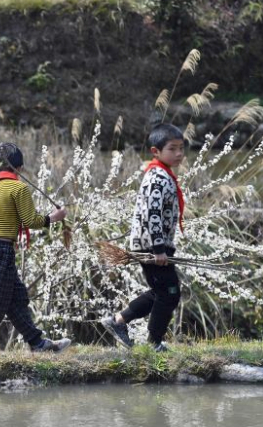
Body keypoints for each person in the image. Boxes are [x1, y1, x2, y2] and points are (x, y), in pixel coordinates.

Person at [0, 142, 70, 354]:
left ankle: (38, 343)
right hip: (1, 250)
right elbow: (30, 220)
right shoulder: (19, 188)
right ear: (21, 169)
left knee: (17, 298)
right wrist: (54, 217)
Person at [102, 123, 185, 353]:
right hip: (151, 247)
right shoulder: (157, 177)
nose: (179, 153)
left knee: (163, 291)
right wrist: (158, 248)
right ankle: (154, 342)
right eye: (172, 148)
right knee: (169, 293)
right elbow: (152, 213)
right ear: (155, 151)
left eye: (181, 148)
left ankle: (118, 321)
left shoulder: (163, 174)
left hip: (155, 246)